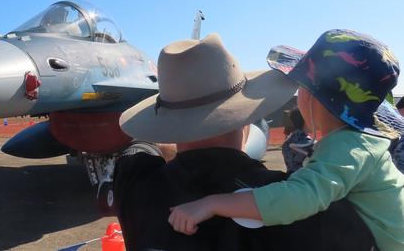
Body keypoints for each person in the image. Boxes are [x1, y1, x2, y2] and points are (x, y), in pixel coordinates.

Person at [114, 33, 377, 251]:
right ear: (244, 118)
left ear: (169, 124)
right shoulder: (306, 208)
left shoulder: (134, 181)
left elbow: (137, 148)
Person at [281, 109, 314, 174]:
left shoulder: (286, 142)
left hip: (290, 178)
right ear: (305, 121)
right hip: (306, 180)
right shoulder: (309, 143)